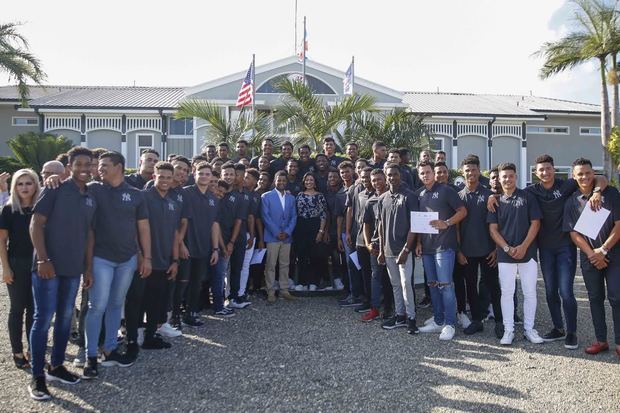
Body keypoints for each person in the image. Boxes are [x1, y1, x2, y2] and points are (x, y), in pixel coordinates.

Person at [28, 147, 96, 400]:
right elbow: (36, 224)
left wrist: (88, 267)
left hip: (73, 268)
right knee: (43, 318)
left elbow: (89, 233)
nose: (84, 169)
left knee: (66, 318)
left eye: (88, 164)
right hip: (48, 267)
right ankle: (37, 376)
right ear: (69, 166)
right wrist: (43, 259)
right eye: (79, 164)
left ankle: (56, 366)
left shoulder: (90, 195)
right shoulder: (54, 189)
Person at [525, 154, 605, 349]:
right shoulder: (531, 191)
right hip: (545, 248)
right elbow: (509, 193)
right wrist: (492, 197)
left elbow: (600, 178)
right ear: (536, 173)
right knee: (550, 291)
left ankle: (571, 332)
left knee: (566, 292)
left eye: (548, 168)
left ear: (554, 169)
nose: (545, 172)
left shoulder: (567, 185)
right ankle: (558, 328)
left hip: (565, 247)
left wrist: (596, 192)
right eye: (541, 169)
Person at [85, 151, 151, 375]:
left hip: (128, 259)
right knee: (97, 307)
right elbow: (71, 185)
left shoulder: (135, 194)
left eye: (104, 165)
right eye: (99, 165)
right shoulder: (93, 189)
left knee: (115, 303)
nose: (99, 168)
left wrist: (146, 257)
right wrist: (55, 177)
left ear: (119, 167)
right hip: (101, 257)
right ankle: (90, 356)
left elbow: (143, 228)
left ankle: (111, 349)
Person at [563, 158, 620, 356]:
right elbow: (573, 233)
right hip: (589, 257)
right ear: (574, 176)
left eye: (588, 173)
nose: (584, 177)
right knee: (595, 298)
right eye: (580, 174)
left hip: (614, 254)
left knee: (617, 296)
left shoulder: (610, 193)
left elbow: (619, 225)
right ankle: (601, 340)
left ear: (593, 173)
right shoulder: (571, 201)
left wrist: (602, 250)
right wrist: (592, 254)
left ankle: (619, 342)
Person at [488, 162, 543, 345]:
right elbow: (493, 230)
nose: (507, 179)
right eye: (504, 176)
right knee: (507, 293)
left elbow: (535, 223)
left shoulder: (527, 197)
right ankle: (509, 330)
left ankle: (529, 329)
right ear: (499, 179)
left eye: (511, 176)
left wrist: (523, 246)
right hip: (505, 255)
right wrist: (507, 248)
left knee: (529, 292)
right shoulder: (495, 201)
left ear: (516, 177)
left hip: (528, 254)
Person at [415, 161, 467, 341]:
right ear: (419, 175)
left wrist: (446, 223)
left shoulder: (446, 190)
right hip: (427, 248)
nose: (425, 175)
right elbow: (419, 222)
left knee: (446, 286)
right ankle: (438, 320)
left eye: (428, 172)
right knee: (432, 285)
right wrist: (418, 243)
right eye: (422, 173)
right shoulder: (419, 193)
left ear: (433, 173)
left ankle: (450, 324)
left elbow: (462, 211)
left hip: (444, 247)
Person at [456, 156, 503, 338]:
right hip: (467, 252)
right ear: (463, 172)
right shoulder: (458, 197)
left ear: (478, 170)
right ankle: (477, 320)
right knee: (471, 287)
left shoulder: (488, 195)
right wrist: (459, 250)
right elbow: (457, 228)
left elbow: (497, 225)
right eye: (467, 170)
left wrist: (496, 248)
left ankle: (500, 321)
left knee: (493, 286)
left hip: (488, 250)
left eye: (473, 169)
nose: (470, 173)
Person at [137, 162, 182, 351]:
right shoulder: (143, 197)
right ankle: (136, 336)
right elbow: (135, 228)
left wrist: (175, 260)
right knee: (139, 300)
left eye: (168, 177)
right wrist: (140, 255)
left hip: (164, 260)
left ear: (173, 180)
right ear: (153, 177)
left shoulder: (173, 203)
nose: (164, 180)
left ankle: (150, 335)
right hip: (144, 259)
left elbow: (174, 234)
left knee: (157, 299)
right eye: (160, 176)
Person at [0, 169, 39, 369]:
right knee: (17, 309)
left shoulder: (42, 208)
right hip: (17, 263)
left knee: (35, 310)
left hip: (39, 264)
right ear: (14, 186)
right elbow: (2, 241)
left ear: (35, 185)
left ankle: (33, 350)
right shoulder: (8, 209)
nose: (24, 187)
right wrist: (6, 268)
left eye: (28, 183)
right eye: (20, 183)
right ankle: (17, 351)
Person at [378, 163, 418, 334]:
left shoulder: (409, 196)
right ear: (386, 177)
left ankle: (411, 318)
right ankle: (399, 315)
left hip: (404, 250)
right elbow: (380, 226)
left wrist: (406, 249)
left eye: (395, 174)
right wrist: (380, 250)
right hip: (387, 250)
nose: (392, 177)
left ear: (400, 176)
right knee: (395, 284)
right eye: (389, 175)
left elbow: (414, 226)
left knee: (405, 283)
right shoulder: (382, 198)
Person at [181, 162, 224, 324]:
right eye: (202, 173)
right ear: (194, 173)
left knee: (196, 283)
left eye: (208, 174)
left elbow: (214, 224)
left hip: (203, 247)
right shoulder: (186, 193)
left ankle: (191, 314)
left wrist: (215, 248)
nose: (204, 176)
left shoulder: (213, 199)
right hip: (185, 246)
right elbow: (180, 221)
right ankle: (174, 317)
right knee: (181, 284)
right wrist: (180, 244)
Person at [361, 168, 394, 322]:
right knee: (376, 277)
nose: (376, 183)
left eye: (379, 179)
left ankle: (390, 308)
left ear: (386, 179)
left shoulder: (393, 197)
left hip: (392, 245)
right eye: (373, 180)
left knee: (391, 278)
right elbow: (366, 224)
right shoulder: (370, 201)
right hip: (376, 246)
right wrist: (367, 244)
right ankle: (374, 308)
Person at [262, 171, 298, 303]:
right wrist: (277, 232)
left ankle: (284, 290)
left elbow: (294, 216)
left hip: (287, 237)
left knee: (285, 264)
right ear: (274, 181)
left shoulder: (291, 198)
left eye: (284, 180)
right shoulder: (266, 196)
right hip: (272, 236)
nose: (281, 182)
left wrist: (287, 232)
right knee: (271, 264)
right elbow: (266, 217)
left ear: (286, 182)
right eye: (279, 180)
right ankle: (270, 291)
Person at [294, 173, 328, 291]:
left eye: (311, 180)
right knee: (302, 255)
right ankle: (301, 282)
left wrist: (321, 231)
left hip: (315, 226)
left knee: (315, 255)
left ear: (315, 182)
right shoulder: (299, 195)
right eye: (307, 180)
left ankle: (314, 282)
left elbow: (323, 214)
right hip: (301, 226)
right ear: (304, 182)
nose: (309, 182)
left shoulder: (320, 196)